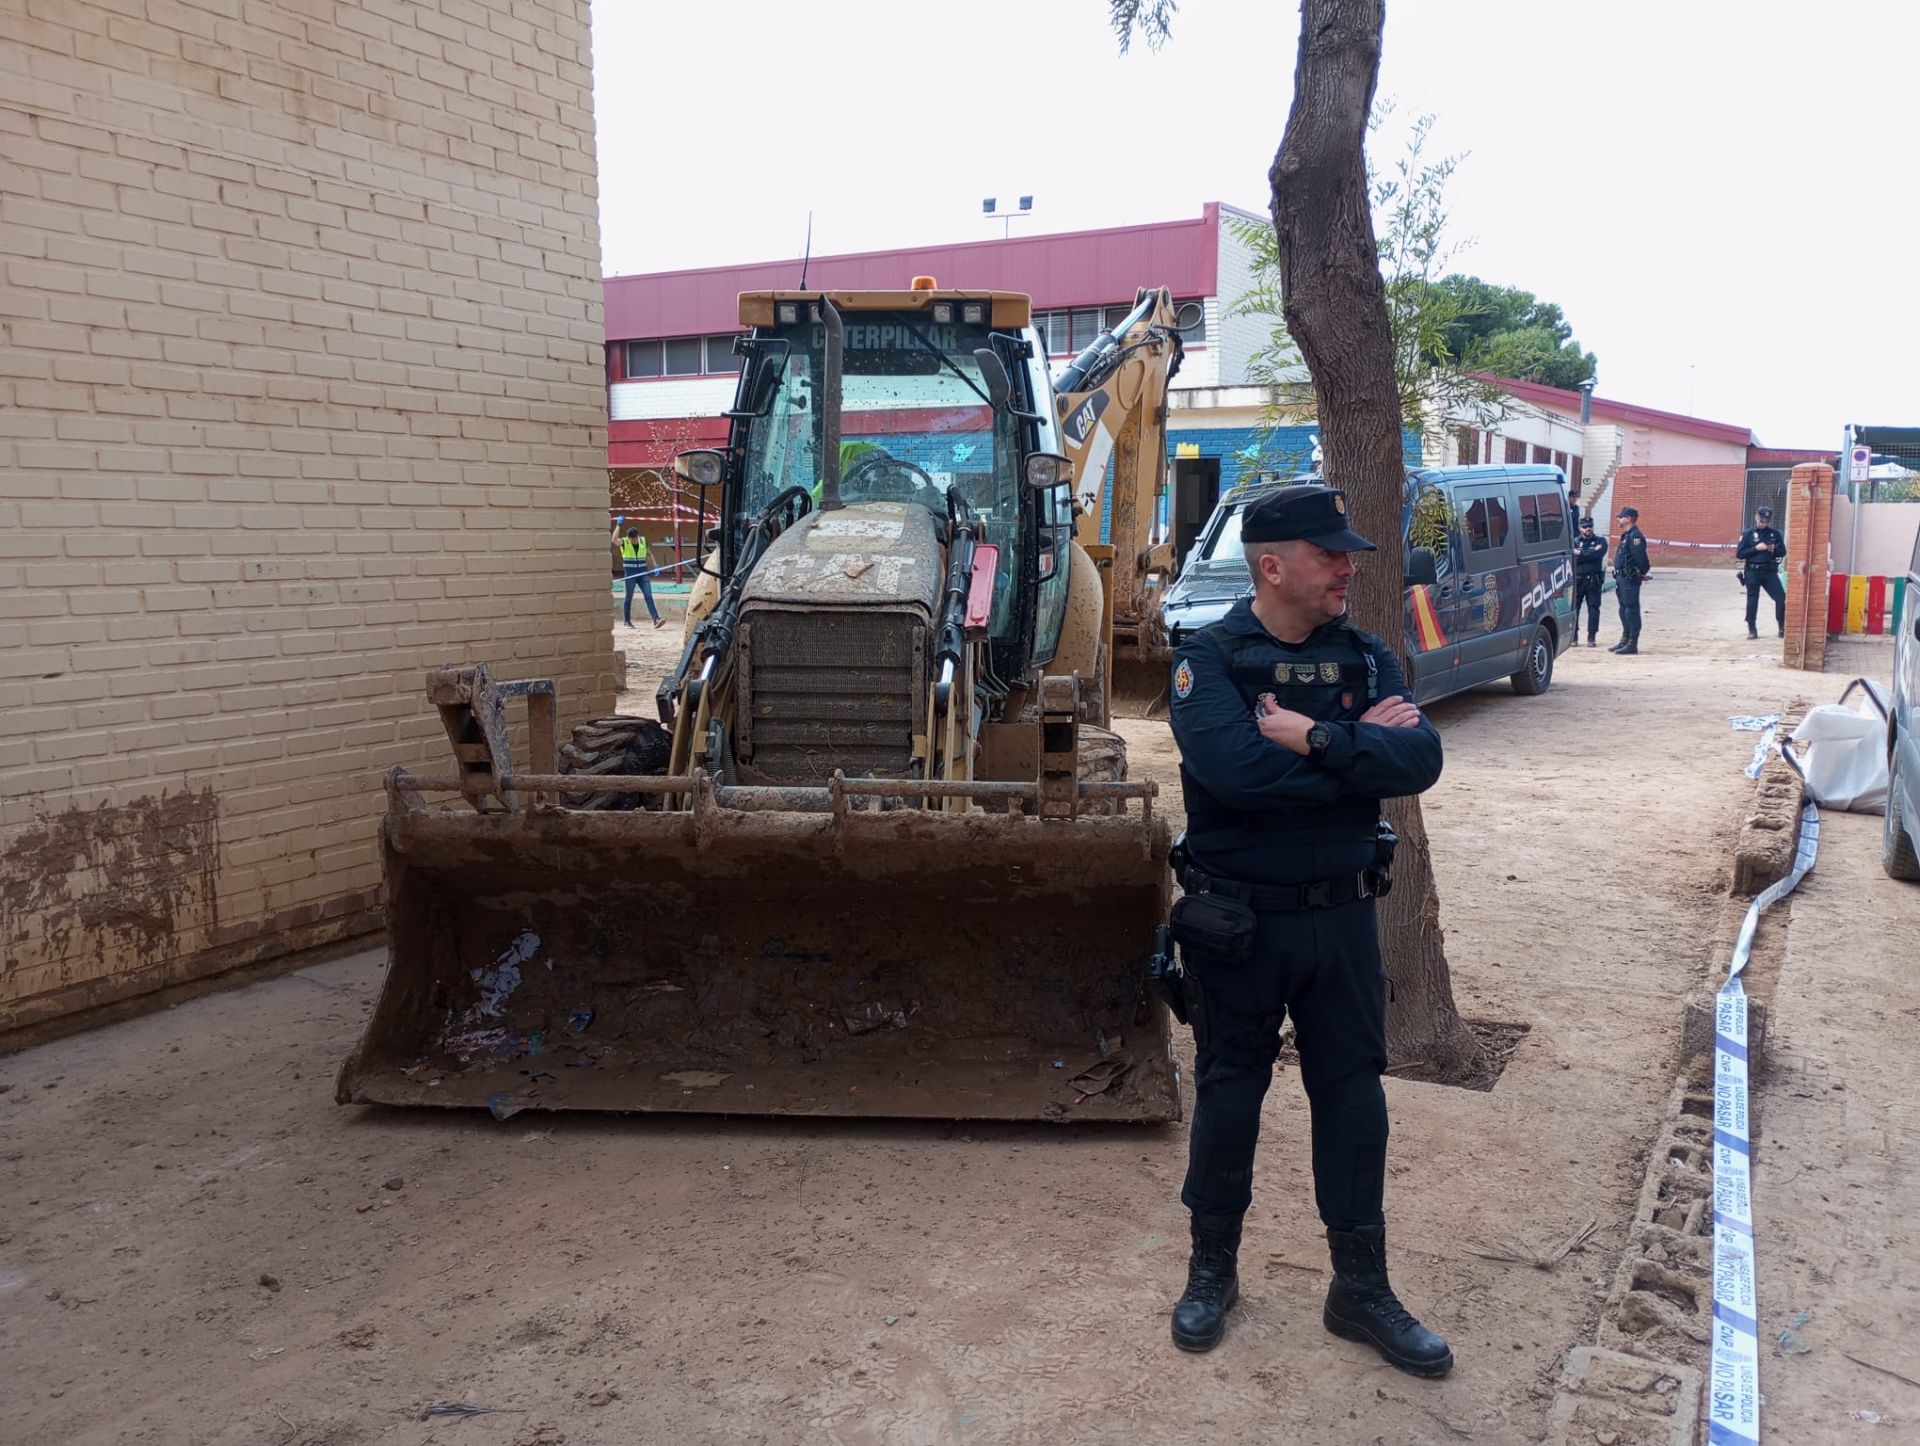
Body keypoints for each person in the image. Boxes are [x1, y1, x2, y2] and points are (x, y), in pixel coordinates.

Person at [1162, 483, 1451, 1378]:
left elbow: (1421, 760)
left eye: (1348, 553)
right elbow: (1239, 776)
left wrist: (1317, 740)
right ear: (1272, 564)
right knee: (1230, 1095)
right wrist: (1357, 750)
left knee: (1356, 1102)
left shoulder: (1364, 656)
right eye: (1330, 554)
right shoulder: (1206, 659)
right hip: (1239, 925)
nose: (1348, 566)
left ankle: (1359, 1288)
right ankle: (1212, 1271)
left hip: (1343, 922)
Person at [1735, 505, 1786, 639]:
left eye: (1766, 521)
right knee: (1753, 599)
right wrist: (1756, 548)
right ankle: (1752, 629)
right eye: (1762, 520)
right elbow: (1740, 554)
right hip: (1752, 571)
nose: (1764, 523)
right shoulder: (1748, 534)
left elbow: (1783, 551)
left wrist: (1772, 548)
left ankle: (1782, 626)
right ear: (1756, 517)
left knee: (1781, 597)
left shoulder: (1775, 534)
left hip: (1769, 571)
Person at [1610, 506, 1650, 654]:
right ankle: (1625, 639)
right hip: (1621, 577)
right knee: (1623, 609)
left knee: (1631, 609)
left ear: (1628, 519)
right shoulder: (1627, 535)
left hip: (1630, 578)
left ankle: (1632, 643)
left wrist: (1643, 572)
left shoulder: (1635, 536)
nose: (1618, 520)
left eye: (1620, 517)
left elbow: (1641, 558)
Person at [618, 522, 663, 629]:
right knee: (628, 597)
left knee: (648, 595)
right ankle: (627, 621)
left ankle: (656, 619)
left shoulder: (642, 540)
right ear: (629, 538)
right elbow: (614, 540)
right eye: (632, 539)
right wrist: (618, 525)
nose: (634, 540)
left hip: (643, 573)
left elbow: (649, 553)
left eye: (635, 538)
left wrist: (655, 565)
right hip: (630, 575)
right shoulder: (624, 542)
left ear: (638, 536)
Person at [1572, 515, 1608, 646]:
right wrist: (1588, 554)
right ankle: (1574, 637)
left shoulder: (1600, 541)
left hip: (1593, 581)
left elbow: (1597, 555)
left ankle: (1591, 637)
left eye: (1590, 526)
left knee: (1593, 609)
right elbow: (1573, 558)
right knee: (1574, 609)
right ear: (1580, 528)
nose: (1588, 529)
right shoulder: (1574, 541)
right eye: (1585, 527)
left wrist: (1580, 553)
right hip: (1578, 580)